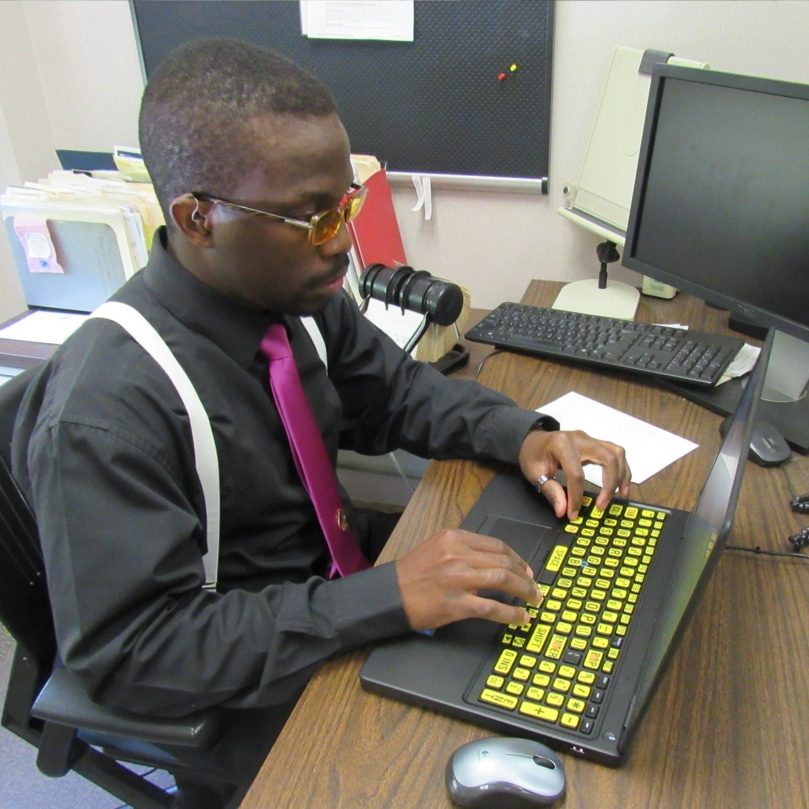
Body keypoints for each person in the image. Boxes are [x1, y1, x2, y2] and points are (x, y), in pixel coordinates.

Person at [11, 37, 630, 807]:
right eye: (308, 217)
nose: (340, 240)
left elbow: (398, 391)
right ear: (198, 217)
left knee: (574, 685)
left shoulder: (294, 299)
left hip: (330, 606)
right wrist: (387, 595)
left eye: (345, 204)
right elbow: (132, 652)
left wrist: (523, 433)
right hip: (243, 691)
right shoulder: (105, 412)